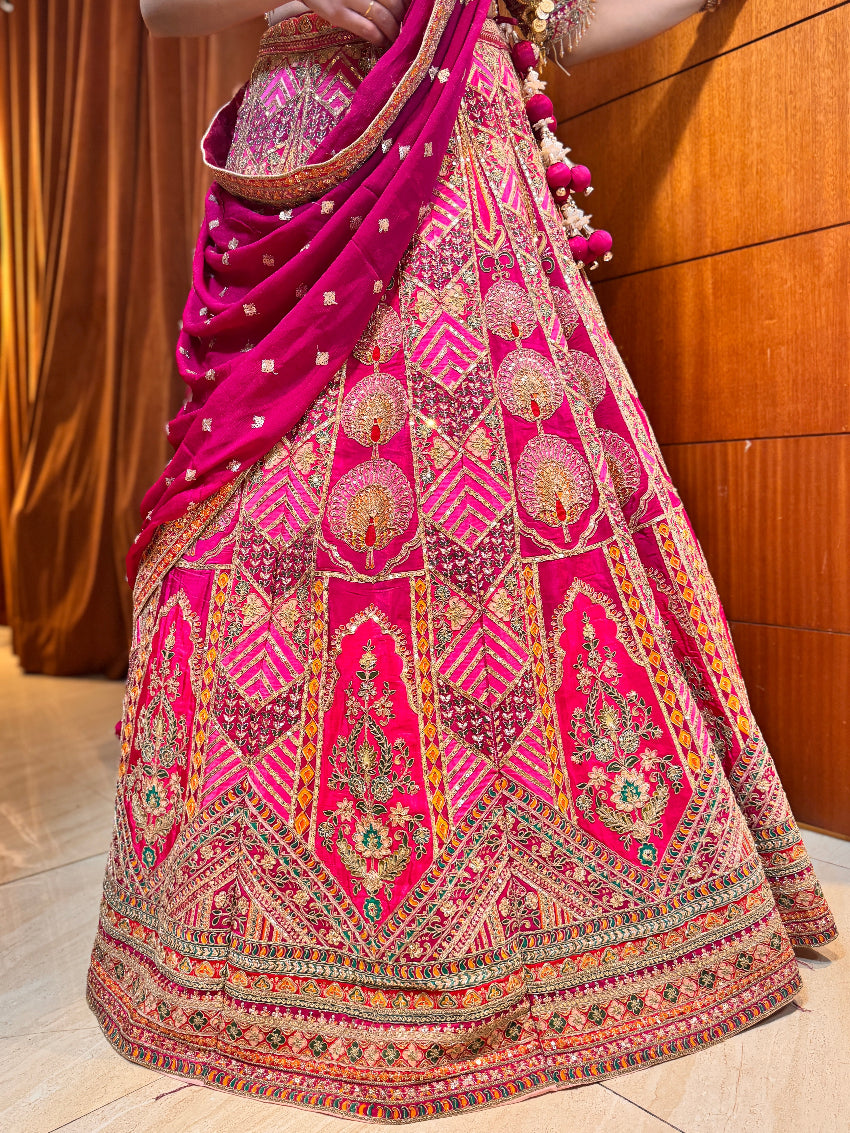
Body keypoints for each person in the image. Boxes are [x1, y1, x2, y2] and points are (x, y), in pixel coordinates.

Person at [87, 0, 837, 1120]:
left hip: (476, 166)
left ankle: (575, 911)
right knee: (293, 524)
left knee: (510, 525)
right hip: (325, 149)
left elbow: (562, 18)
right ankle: (253, 931)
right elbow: (160, 8)